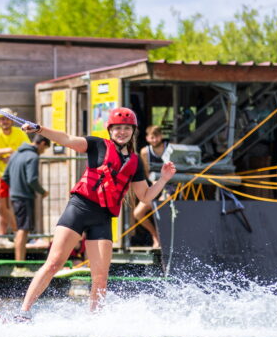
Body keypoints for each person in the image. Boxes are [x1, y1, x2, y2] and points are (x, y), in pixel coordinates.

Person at [18, 107, 176, 314]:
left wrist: (163, 179)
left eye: (126, 128)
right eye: (117, 128)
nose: (122, 132)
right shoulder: (96, 144)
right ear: (110, 130)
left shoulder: (136, 162)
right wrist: (39, 129)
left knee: (100, 276)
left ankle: (94, 321)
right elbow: (66, 139)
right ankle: (22, 313)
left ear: (133, 131)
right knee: (54, 263)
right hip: (79, 208)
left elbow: (145, 196)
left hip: (103, 217)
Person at [3, 133, 50, 267]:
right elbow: (32, 180)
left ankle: (19, 264)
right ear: (41, 143)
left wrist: (15, 186)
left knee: (21, 229)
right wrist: (42, 192)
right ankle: (19, 266)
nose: (42, 151)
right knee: (23, 231)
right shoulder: (33, 156)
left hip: (15, 196)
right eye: (44, 149)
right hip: (25, 197)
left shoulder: (15, 154)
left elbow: (5, 176)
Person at [0, 108, 28, 247]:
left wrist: (13, 157)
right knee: (0, 208)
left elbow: (28, 149)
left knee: (7, 207)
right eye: (2, 119)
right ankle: (18, 231)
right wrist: (8, 152)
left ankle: (1, 236)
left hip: (15, 174)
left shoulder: (20, 132)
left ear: (12, 120)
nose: (4, 121)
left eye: (7, 118)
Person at [132, 125, 167, 248]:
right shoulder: (145, 152)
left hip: (169, 186)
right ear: (147, 138)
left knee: (161, 208)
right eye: (152, 137)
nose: (155, 140)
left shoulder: (169, 148)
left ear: (161, 136)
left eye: (157, 137)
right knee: (138, 213)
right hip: (155, 185)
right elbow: (147, 173)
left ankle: (165, 240)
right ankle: (155, 235)